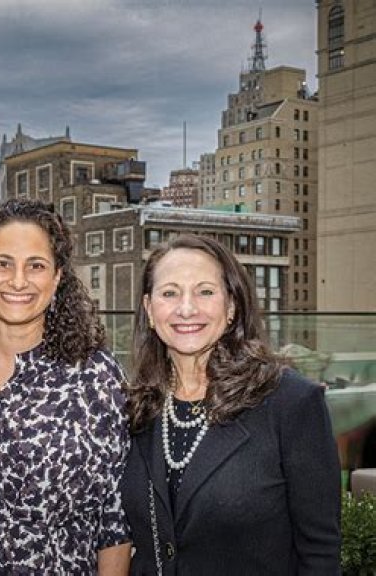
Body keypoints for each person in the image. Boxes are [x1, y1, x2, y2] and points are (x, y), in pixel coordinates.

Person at [0, 198, 131, 574]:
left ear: (57, 277)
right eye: (3, 263)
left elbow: (113, 517)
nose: (18, 281)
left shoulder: (96, 375)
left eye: (35, 265)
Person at [121, 234, 341, 575]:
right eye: (170, 293)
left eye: (205, 292)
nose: (186, 308)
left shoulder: (290, 403)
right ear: (150, 310)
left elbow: (320, 552)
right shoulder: (136, 406)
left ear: (232, 306)